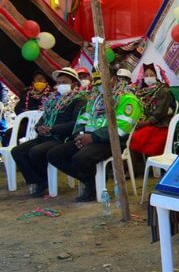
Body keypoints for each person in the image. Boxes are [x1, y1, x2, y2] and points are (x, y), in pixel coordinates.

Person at [47, 72, 143, 202]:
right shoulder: (96, 98)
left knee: (79, 159)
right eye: (96, 83)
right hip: (88, 138)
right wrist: (80, 135)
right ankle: (92, 181)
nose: (98, 86)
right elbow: (83, 118)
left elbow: (121, 127)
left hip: (110, 141)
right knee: (54, 154)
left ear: (113, 79)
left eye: (101, 82)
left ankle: (92, 188)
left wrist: (93, 137)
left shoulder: (127, 98)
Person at [10, 67, 87, 197]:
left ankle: (44, 183)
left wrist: (52, 129)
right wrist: (39, 127)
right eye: (59, 82)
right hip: (45, 136)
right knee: (17, 151)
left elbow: (74, 124)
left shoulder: (80, 100)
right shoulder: (53, 100)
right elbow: (43, 118)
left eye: (64, 82)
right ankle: (38, 181)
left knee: (36, 152)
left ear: (73, 84)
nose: (61, 85)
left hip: (61, 138)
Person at [128, 63, 176, 157]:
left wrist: (145, 123)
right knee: (126, 134)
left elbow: (160, 112)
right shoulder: (142, 91)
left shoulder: (164, 91)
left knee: (135, 137)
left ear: (157, 76)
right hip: (145, 123)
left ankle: (137, 168)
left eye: (151, 75)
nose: (148, 78)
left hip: (160, 125)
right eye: (146, 76)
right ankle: (133, 167)